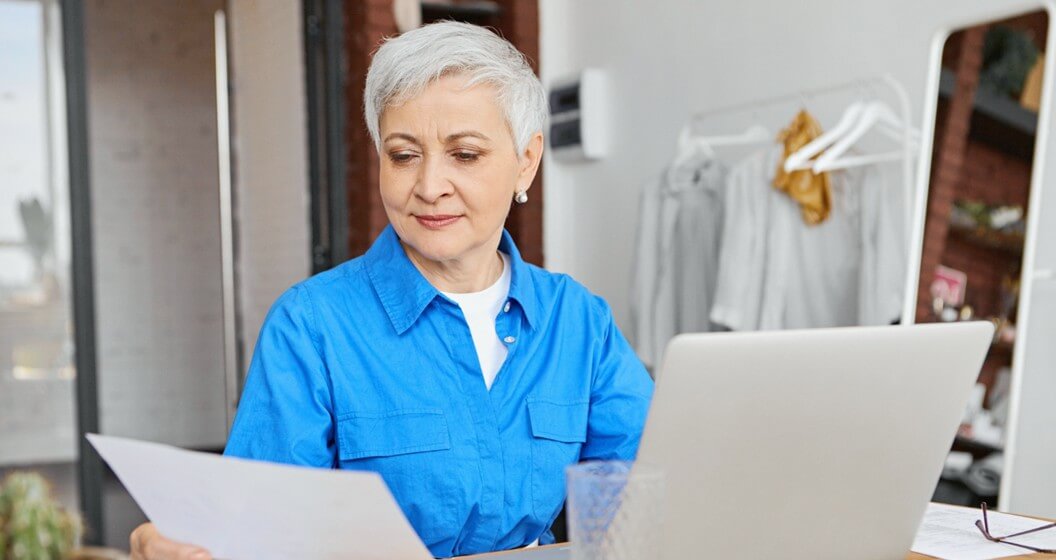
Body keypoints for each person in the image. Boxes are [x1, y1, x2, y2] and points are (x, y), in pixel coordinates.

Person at [129, 21, 652, 559]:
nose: (428, 187)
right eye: (403, 155)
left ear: (526, 161)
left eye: (465, 154)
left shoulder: (579, 323)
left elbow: (646, 504)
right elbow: (259, 534)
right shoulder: (312, 327)